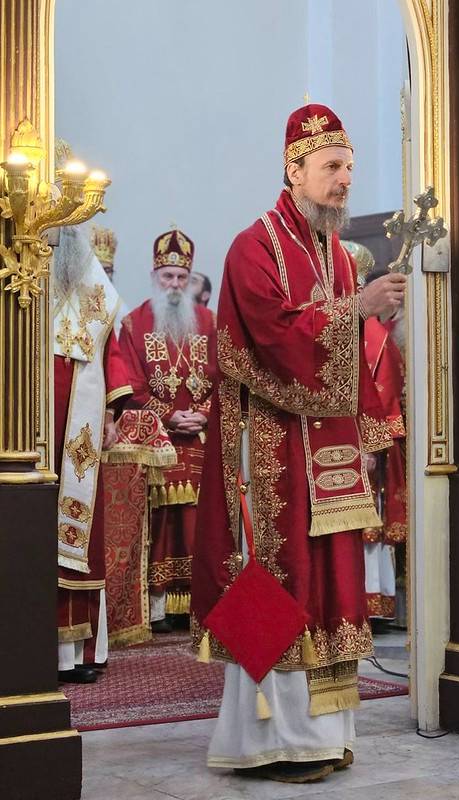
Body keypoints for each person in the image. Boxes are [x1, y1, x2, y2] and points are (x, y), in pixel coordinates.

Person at [191, 103, 407, 783]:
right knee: (281, 583)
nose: (345, 179)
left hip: (328, 457)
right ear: (295, 169)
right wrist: (357, 309)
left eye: (349, 167)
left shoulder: (335, 254)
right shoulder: (252, 246)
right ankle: (271, 742)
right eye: (332, 166)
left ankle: (324, 735)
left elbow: (347, 356)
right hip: (270, 450)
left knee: (332, 586)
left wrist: (368, 432)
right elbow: (272, 341)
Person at [119, 229, 216, 633]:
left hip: (202, 440)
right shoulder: (133, 323)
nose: (175, 285)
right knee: (162, 524)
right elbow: (130, 385)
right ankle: (159, 607)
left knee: (199, 522)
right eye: (168, 277)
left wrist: (205, 413)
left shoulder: (210, 322)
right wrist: (170, 415)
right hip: (156, 440)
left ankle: (194, 606)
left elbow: (226, 378)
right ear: (155, 277)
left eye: (182, 278)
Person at [54, 226, 132, 683]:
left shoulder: (94, 288)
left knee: (77, 536)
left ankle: (76, 653)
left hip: (76, 432)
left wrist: (109, 414)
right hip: (23, 430)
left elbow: (112, 354)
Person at [360, 268, 407, 628]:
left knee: (368, 530)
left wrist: (369, 446)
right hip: (333, 444)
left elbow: (385, 395)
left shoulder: (376, 339)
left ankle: (372, 602)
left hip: (364, 451)